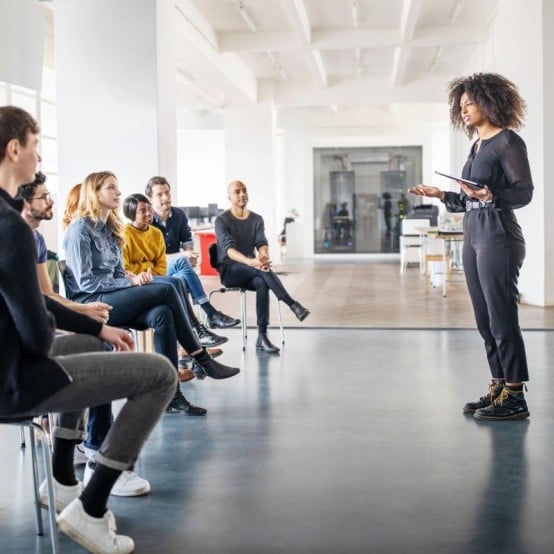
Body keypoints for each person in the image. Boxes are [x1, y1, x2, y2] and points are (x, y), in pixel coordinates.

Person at [0, 104, 178, 553]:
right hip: (14, 380)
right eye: (36, 148)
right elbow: (38, 333)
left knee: (85, 342)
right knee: (159, 375)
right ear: (14, 148)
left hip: (11, 363)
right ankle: (92, 508)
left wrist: (95, 330)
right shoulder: (12, 229)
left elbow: (35, 300)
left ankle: (61, 478)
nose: (39, 159)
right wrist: (56, 326)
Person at [17, 174, 152, 495]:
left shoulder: (35, 240)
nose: (52, 201)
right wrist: (84, 315)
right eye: (43, 196)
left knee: (96, 346)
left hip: (42, 330)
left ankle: (83, 457)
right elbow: (30, 303)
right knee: (108, 356)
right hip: (22, 347)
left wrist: (85, 312)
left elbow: (48, 295)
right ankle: (97, 458)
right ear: (25, 203)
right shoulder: (16, 236)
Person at [409, 73, 533, 420]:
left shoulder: (508, 142)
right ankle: (498, 385)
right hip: (474, 231)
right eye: (460, 105)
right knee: (484, 318)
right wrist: (442, 195)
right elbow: (470, 200)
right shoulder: (477, 146)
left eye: (470, 103)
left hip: (499, 235)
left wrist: (492, 195)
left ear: (489, 102)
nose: (464, 110)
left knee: (501, 316)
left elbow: (524, 191)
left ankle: (515, 395)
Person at [63, 171, 240, 414]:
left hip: (112, 296)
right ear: (94, 194)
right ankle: (202, 356)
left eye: (117, 186)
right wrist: (131, 283)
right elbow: (86, 284)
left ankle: (172, 396)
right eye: (111, 188)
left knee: (163, 312)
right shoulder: (79, 231)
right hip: (92, 303)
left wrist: (131, 278)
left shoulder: (109, 227)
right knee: (169, 286)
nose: (119, 193)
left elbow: (117, 272)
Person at [121, 192, 226, 370]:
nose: (148, 214)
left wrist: (146, 268)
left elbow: (161, 267)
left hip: (154, 277)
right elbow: (126, 268)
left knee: (178, 278)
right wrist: (145, 269)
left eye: (148, 209)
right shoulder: (125, 234)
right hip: (136, 283)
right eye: (142, 211)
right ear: (131, 214)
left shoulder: (155, 233)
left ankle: (193, 338)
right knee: (176, 278)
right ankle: (198, 329)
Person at [214, 180, 310, 354]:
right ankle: (292, 304)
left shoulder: (256, 219)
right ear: (229, 197)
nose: (242, 194)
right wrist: (252, 262)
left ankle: (262, 336)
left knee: (261, 282)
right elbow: (229, 250)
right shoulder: (221, 220)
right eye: (237, 191)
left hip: (252, 270)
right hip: (230, 271)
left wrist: (263, 256)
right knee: (260, 271)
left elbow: (261, 242)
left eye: (244, 190)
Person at [145, 175, 240, 329]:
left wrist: (190, 254)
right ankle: (210, 313)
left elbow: (187, 240)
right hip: (156, 269)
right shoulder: (146, 220)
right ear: (150, 199)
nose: (165, 197)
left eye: (167, 192)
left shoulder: (179, 215)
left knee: (182, 278)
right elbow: (151, 257)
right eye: (159, 194)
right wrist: (183, 256)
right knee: (182, 262)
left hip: (176, 269)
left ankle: (192, 337)